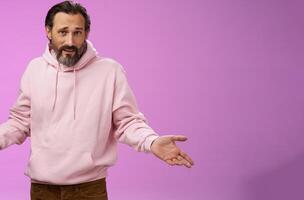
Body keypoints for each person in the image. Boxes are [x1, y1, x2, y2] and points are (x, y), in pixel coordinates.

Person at [0, 1, 194, 199]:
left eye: (77, 32)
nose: (70, 41)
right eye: (63, 32)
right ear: (48, 31)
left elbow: (128, 122)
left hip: (89, 189)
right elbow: (20, 122)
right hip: (42, 189)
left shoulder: (109, 71)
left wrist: (151, 141)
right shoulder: (34, 69)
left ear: (86, 33)